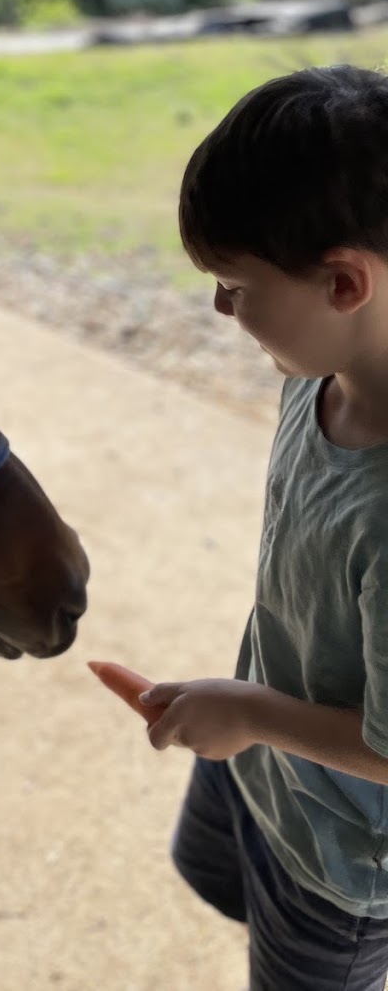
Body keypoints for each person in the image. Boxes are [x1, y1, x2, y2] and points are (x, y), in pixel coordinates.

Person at [138, 63, 388, 989]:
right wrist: (247, 713)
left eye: (235, 284)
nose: (219, 307)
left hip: (345, 856)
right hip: (262, 742)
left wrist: (248, 714)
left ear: (344, 282)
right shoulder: (314, 371)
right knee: (219, 875)